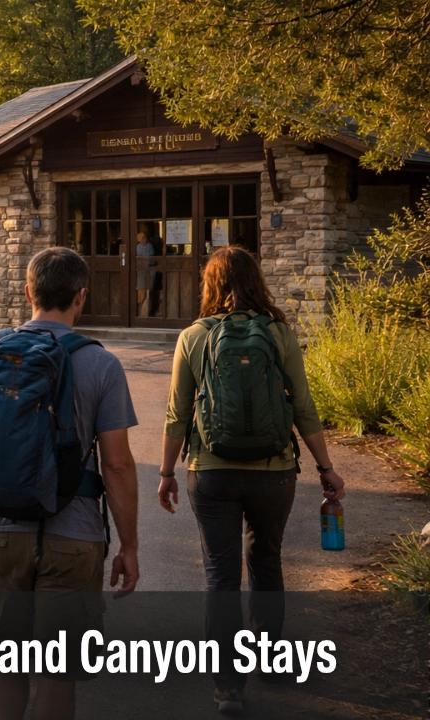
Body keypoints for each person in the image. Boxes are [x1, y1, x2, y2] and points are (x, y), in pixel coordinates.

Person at [0, 247, 140, 720]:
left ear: (28, 293)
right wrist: (128, 545)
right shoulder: (102, 365)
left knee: (5, 666)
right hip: (76, 537)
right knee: (55, 673)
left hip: (1, 530)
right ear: (81, 297)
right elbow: (119, 467)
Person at [157, 245, 346, 716]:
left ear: (210, 285)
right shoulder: (279, 333)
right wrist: (326, 467)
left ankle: (227, 687)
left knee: (220, 574)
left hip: (211, 472)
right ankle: (271, 660)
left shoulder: (193, 336)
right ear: (256, 280)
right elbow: (303, 406)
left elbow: (178, 413)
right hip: (274, 471)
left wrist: (165, 472)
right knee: (266, 560)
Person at [135, 231, 156, 316]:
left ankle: (148, 311)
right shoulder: (138, 246)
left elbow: (151, 255)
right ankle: (140, 310)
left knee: (149, 290)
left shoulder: (149, 246)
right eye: (143, 238)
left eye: (145, 238)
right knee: (141, 289)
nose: (145, 240)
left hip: (149, 269)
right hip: (140, 270)